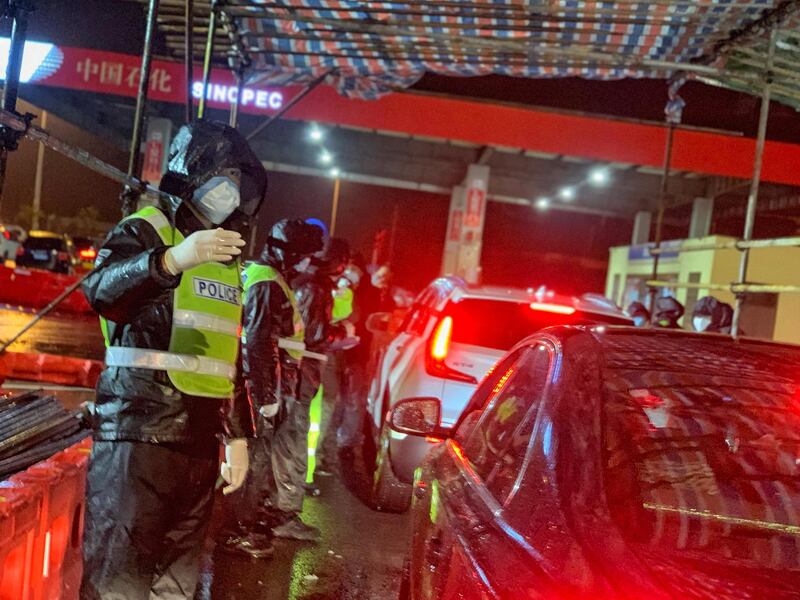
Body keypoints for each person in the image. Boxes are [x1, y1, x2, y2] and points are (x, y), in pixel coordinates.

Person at [80, 120, 267, 600]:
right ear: (190, 178)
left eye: (235, 183)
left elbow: (230, 354)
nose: (228, 192)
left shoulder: (227, 254)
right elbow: (101, 292)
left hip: (199, 441)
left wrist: (238, 436)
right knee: (120, 579)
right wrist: (169, 261)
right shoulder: (146, 230)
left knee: (177, 584)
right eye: (218, 178)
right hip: (138, 434)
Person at [220, 219, 325, 556]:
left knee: (256, 458)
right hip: (261, 385)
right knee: (256, 459)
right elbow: (259, 341)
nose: (306, 262)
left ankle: (245, 526)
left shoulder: (262, 275)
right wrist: (265, 397)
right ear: (289, 252)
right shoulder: (267, 282)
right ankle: (239, 531)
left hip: (260, 382)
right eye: (303, 255)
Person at [288, 238, 352, 524]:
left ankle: (288, 499)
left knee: (300, 433)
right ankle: (286, 507)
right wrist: (340, 335)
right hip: (305, 369)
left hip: (302, 369)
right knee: (300, 433)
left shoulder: (308, 283)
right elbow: (315, 335)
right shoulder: (315, 288)